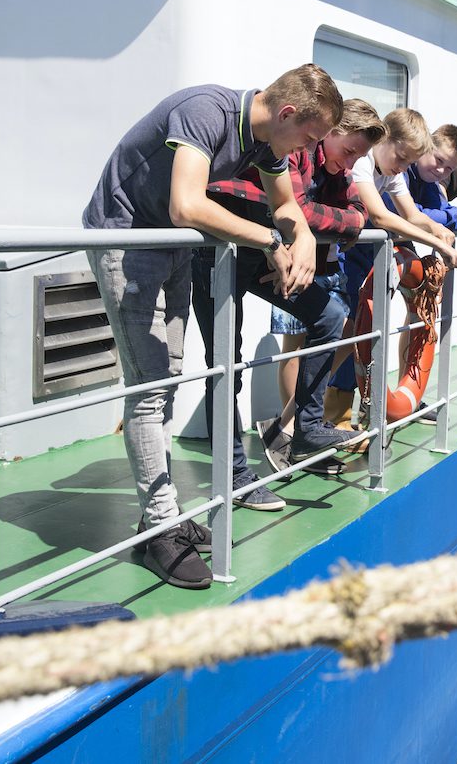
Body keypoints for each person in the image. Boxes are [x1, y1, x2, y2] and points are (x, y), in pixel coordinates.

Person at [82, 63, 343, 589]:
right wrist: (272, 241)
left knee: (169, 380)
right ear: (287, 113)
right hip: (127, 240)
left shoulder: (267, 140)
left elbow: (286, 202)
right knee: (150, 387)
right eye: (307, 140)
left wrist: (305, 238)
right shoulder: (207, 111)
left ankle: (160, 514)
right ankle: (158, 530)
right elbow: (187, 204)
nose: (300, 154)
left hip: (173, 248)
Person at [202, 99, 385, 479]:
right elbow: (298, 209)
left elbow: (356, 213)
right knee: (225, 365)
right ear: (330, 131)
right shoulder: (297, 153)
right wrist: (323, 226)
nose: (350, 164)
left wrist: (330, 224)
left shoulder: (333, 169)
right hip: (225, 251)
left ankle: (306, 428)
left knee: (330, 315)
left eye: (358, 158)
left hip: (266, 254)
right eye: (349, 150)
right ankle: (234, 476)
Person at [324, 132, 457, 427]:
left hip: (384, 245)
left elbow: (426, 213)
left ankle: (392, 398)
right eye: (437, 162)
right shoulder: (398, 170)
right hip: (358, 251)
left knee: (386, 321)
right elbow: (408, 213)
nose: (441, 171)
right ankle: (330, 414)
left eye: (448, 167)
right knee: (354, 325)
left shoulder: (431, 173)